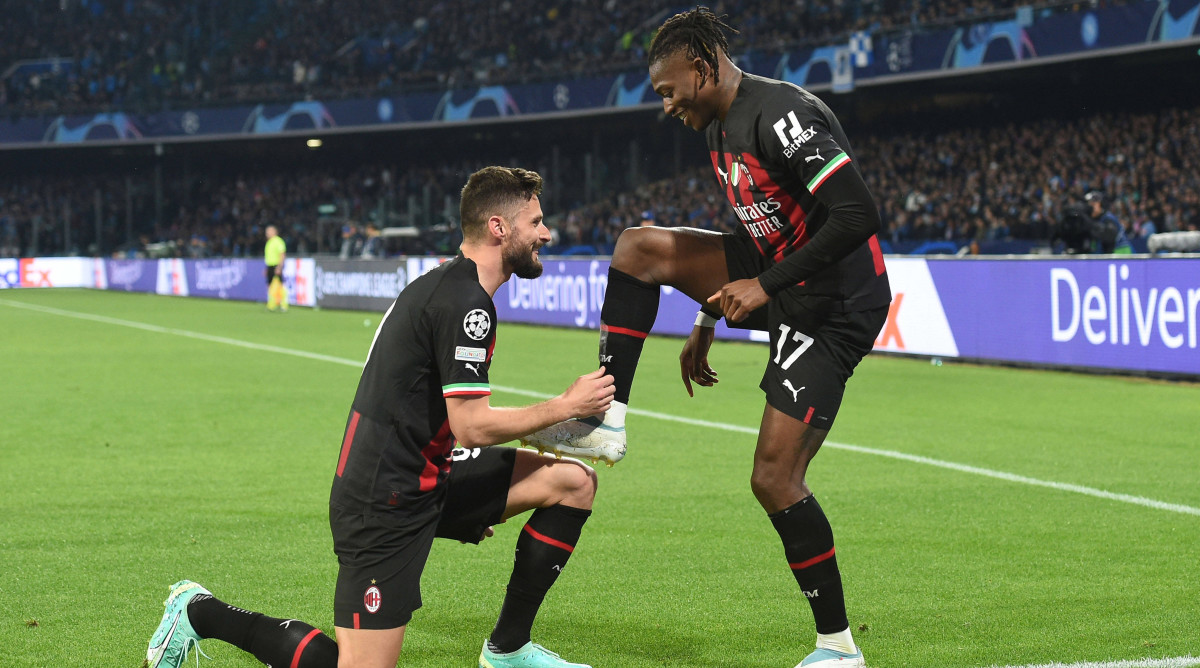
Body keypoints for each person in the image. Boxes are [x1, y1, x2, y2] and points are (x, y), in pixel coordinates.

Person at [523, 8, 890, 668]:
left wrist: (766, 287)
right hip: (780, 277)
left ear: (703, 67)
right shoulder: (720, 130)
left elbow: (860, 213)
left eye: (668, 90)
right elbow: (761, 226)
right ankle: (607, 419)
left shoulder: (783, 116)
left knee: (775, 478)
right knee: (638, 248)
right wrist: (706, 316)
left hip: (836, 305)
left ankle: (838, 649)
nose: (665, 106)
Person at [146, 167, 615, 668]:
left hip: (429, 473)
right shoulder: (463, 305)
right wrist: (567, 407)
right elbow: (472, 426)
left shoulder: (449, 286)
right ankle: (200, 613)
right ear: (499, 227)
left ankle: (507, 650)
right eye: (536, 222)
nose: (546, 233)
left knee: (571, 483)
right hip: (382, 501)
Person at [264, 225, 289, 311]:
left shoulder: (278, 241)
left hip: (276, 265)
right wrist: (267, 268)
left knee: (280, 285)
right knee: (270, 285)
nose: (267, 233)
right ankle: (271, 304)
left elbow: (282, 255)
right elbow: (268, 257)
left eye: (269, 231)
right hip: (270, 266)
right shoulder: (269, 242)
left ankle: (284, 304)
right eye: (267, 232)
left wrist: (279, 267)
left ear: (275, 232)